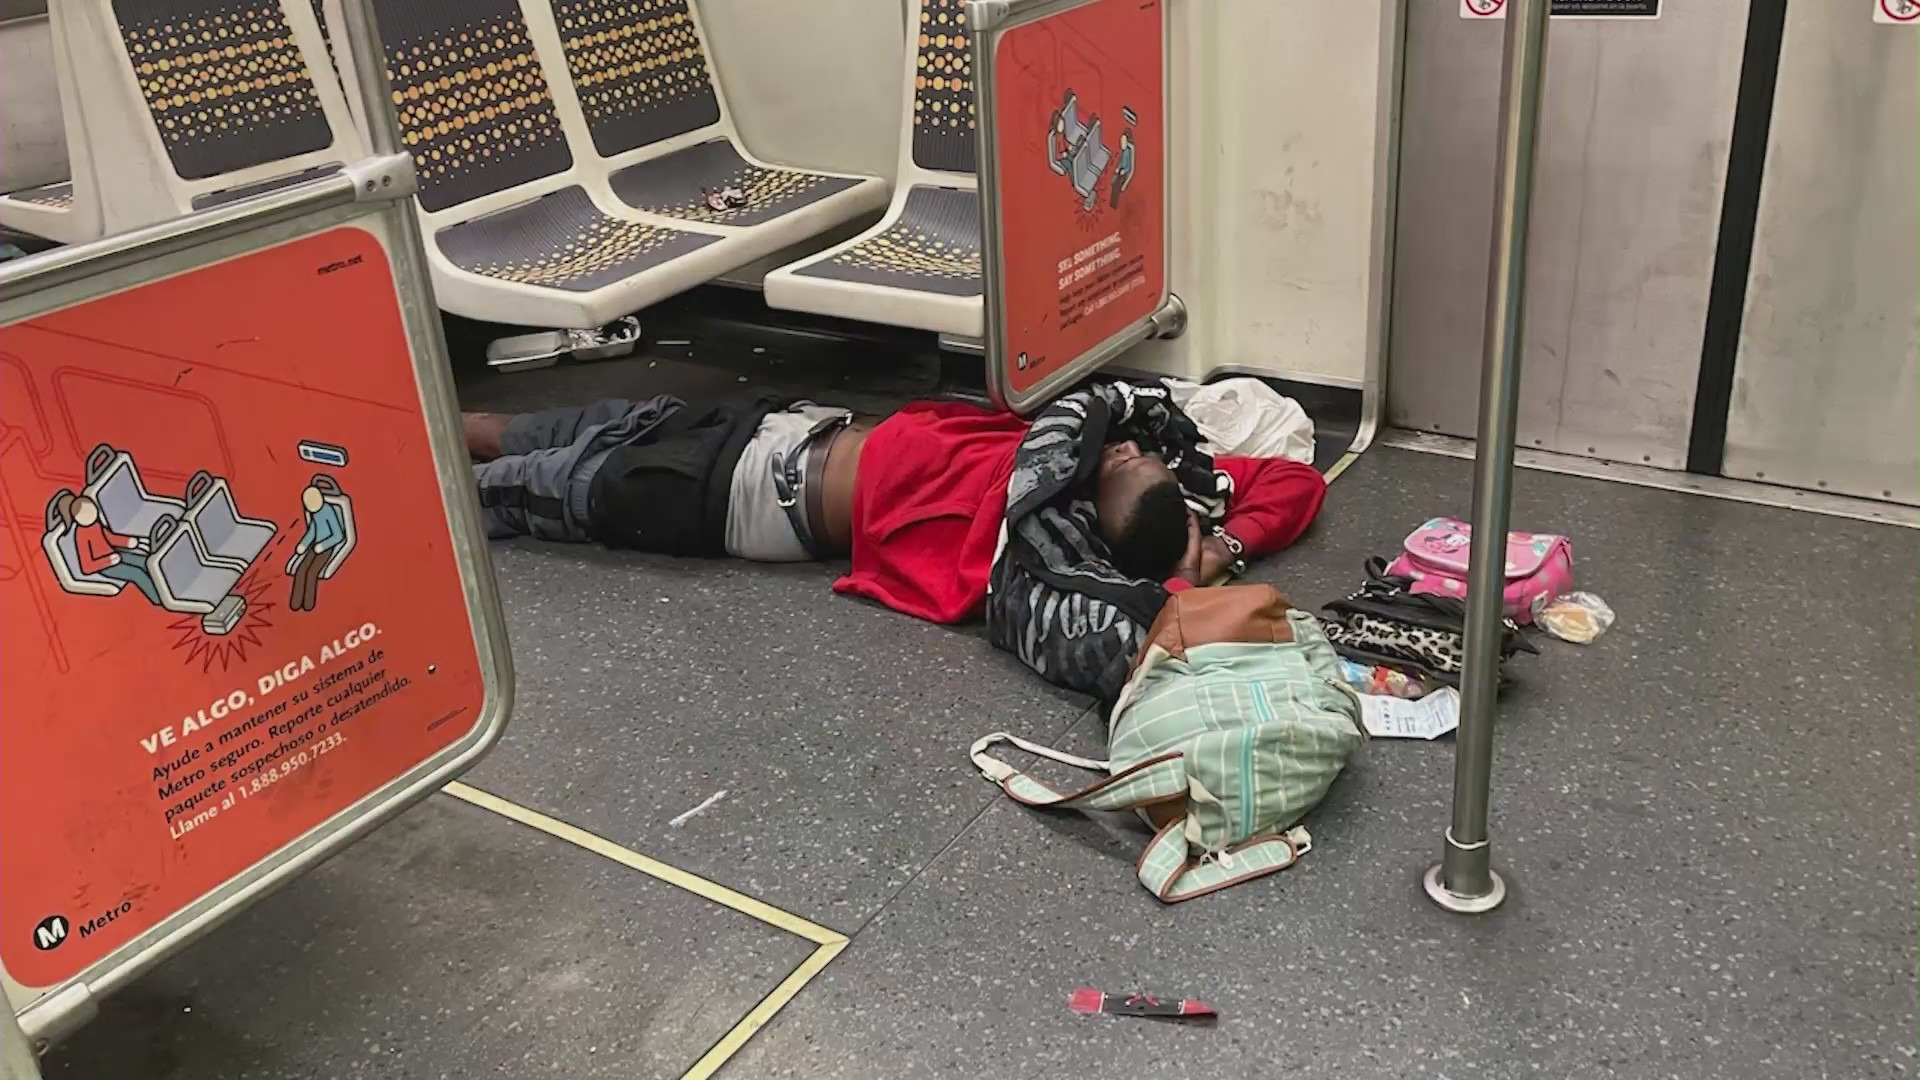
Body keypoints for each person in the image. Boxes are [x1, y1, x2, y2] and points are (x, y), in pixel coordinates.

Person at [462, 390, 1326, 627]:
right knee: (522, 428)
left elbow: (1123, 625)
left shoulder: (1029, 543)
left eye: (1122, 467)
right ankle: (350, 409)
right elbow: (1294, 483)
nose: (1127, 448)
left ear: (1091, 513)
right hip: (777, 421)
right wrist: (1227, 542)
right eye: (1136, 456)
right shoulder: (1160, 491)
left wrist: (1190, 579)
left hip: (732, 494)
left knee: (507, 491)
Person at [69, 494, 162, 604]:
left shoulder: (96, 525)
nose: (91, 515)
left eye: (92, 510)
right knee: (136, 573)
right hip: (105, 566)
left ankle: (165, 586)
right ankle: (158, 599)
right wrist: (109, 561)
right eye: (86, 514)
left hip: (115, 554)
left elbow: (110, 538)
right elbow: (87, 567)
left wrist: (130, 542)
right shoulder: (81, 535)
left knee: (144, 561)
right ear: (78, 518)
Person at [286, 483, 345, 611]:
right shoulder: (315, 513)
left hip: (326, 547)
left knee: (312, 572)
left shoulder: (328, 511)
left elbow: (338, 535)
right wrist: (303, 544)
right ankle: (295, 603)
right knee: (301, 570)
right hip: (315, 545)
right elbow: (312, 530)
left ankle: (308, 604)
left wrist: (323, 546)